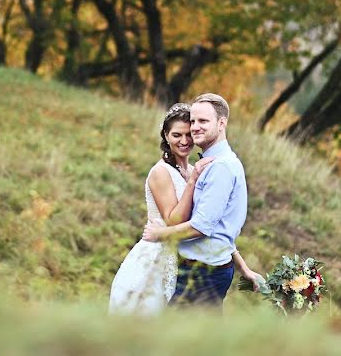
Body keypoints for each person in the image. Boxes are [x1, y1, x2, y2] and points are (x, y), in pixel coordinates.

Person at [142, 93, 259, 311]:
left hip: (204, 272)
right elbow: (215, 225)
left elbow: (202, 226)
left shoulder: (219, 167)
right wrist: (243, 268)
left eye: (203, 121)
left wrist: (159, 235)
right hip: (194, 268)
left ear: (222, 123)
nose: (195, 128)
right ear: (166, 136)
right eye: (193, 121)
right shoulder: (204, 165)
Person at [108, 103, 198, 315]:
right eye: (177, 135)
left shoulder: (193, 170)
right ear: (166, 135)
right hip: (157, 258)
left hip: (184, 257)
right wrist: (193, 183)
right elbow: (173, 220)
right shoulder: (161, 172)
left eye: (188, 135)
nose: (184, 141)